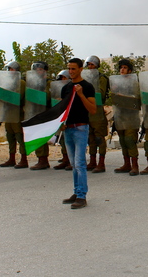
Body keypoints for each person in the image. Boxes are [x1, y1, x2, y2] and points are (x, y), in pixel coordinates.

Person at [61, 58, 97, 209]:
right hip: (68, 128)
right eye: (69, 68)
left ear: (80, 69)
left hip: (81, 128)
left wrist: (81, 95)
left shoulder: (87, 87)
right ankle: (76, 192)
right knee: (74, 164)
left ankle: (82, 196)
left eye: (73, 69)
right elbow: (63, 108)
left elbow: (93, 109)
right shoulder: (66, 88)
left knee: (80, 163)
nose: (70, 71)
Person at [111, 59, 141, 176]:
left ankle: (135, 165)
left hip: (131, 116)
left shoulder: (134, 83)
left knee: (130, 140)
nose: (122, 70)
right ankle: (126, 164)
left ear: (129, 70)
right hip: (120, 115)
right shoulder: (117, 83)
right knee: (123, 140)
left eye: (124, 68)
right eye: (121, 67)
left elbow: (137, 99)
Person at [0, 61, 27, 168]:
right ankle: (11, 158)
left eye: (11, 69)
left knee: (20, 136)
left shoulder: (21, 83)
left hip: (17, 114)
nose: (9, 71)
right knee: (10, 136)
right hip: (8, 113)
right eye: (8, 69)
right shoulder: (8, 83)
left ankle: (24, 159)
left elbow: (18, 98)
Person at [84, 56, 110, 173]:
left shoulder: (101, 78)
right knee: (91, 138)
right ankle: (92, 161)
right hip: (87, 111)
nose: (90, 67)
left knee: (99, 137)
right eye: (88, 65)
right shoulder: (85, 78)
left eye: (92, 65)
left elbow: (101, 93)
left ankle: (101, 163)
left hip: (98, 111)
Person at [27, 61, 52, 170]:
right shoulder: (32, 83)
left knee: (43, 135)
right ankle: (41, 159)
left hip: (47, 112)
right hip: (35, 111)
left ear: (45, 70)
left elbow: (47, 97)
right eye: (36, 70)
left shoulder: (49, 83)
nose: (38, 71)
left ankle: (45, 159)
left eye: (40, 69)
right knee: (38, 135)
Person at [53, 70, 72, 170]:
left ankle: (71, 160)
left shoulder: (72, 87)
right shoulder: (59, 87)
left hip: (70, 116)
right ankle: (65, 159)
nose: (63, 80)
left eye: (65, 77)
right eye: (61, 78)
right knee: (62, 139)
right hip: (60, 115)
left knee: (70, 139)